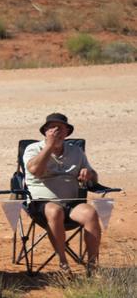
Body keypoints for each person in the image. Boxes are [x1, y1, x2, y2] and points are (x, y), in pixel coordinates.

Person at [23, 113, 101, 274]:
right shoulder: (32, 149)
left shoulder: (76, 151)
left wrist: (89, 174)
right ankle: (63, 263)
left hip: (71, 203)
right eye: (52, 127)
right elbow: (35, 170)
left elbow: (94, 177)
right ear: (45, 131)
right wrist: (49, 147)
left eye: (60, 128)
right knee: (55, 211)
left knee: (90, 213)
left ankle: (93, 266)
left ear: (67, 132)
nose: (56, 131)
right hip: (41, 204)